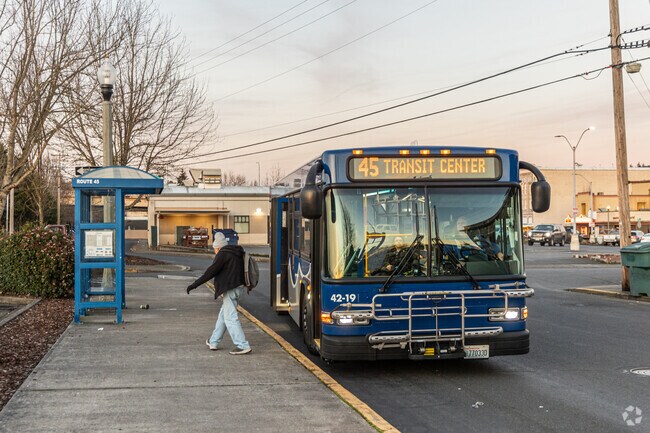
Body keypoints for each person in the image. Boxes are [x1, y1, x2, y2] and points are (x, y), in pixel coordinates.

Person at [186, 232, 252, 355]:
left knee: (230, 318)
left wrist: (194, 285)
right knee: (223, 316)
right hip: (239, 288)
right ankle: (213, 341)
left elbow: (210, 273)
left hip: (230, 289)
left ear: (218, 247)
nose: (214, 252)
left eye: (214, 249)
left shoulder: (222, 255)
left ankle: (243, 345)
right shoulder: (236, 252)